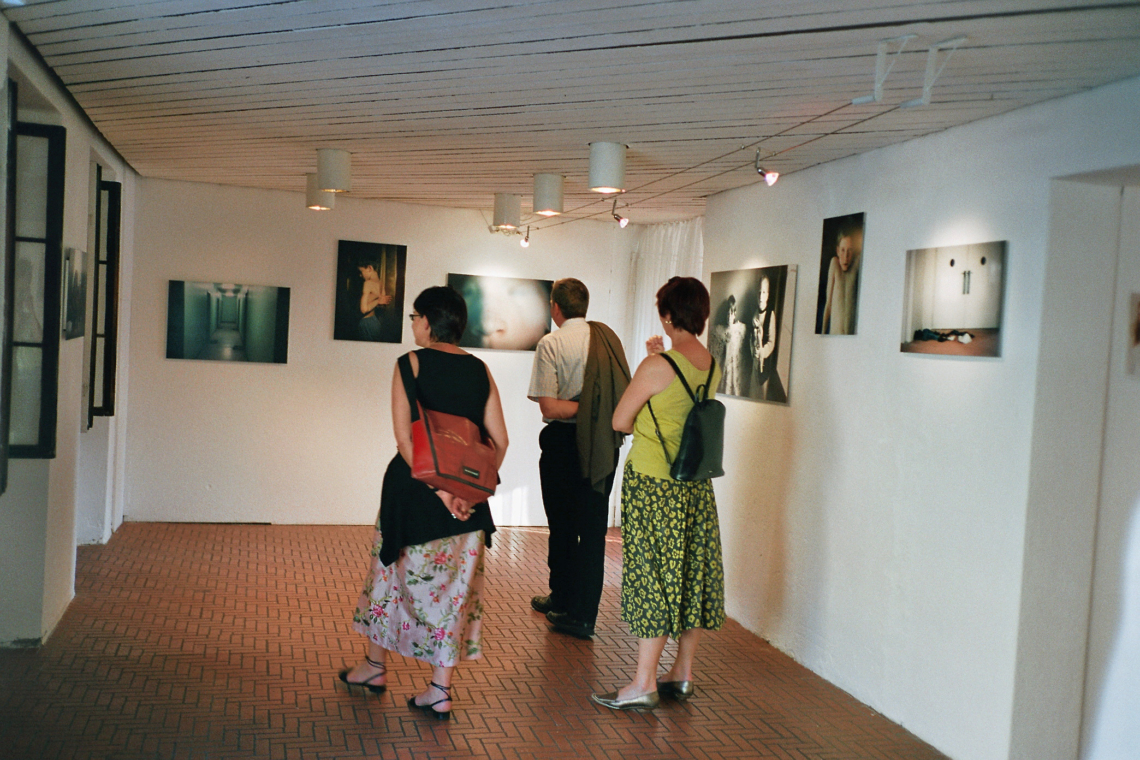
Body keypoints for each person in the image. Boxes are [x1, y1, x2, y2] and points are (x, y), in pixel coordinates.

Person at [340, 285, 509, 720]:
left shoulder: (409, 364)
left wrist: (440, 490)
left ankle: (375, 668)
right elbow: (500, 441)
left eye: (415, 316)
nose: (412, 323)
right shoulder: (480, 370)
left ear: (430, 322)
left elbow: (404, 440)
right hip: (467, 508)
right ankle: (439, 690)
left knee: (388, 580)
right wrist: (466, 492)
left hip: (412, 496)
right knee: (453, 594)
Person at [592, 276, 725, 711]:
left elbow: (620, 421)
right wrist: (658, 362)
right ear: (701, 316)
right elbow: (681, 404)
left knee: (652, 577)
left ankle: (643, 683)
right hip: (694, 485)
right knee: (688, 573)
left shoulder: (657, 366)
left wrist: (652, 364)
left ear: (668, 315)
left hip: (653, 484)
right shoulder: (712, 362)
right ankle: (681, 672)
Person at [528, 278, 630, 639]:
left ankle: (568, 605)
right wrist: (597, 412)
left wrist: (585, 410)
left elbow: (550, 405)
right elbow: (621, 396)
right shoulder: (608, 339)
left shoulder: (551, 342)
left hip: (563, 444)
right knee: (592, 531)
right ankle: (577, 609)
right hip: (602, 444)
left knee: (563, 526)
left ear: (556, 308)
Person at [749, 273, 786, 402]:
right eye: (759, 292)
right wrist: (753, 349)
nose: (761, 296)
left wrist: (762, 352)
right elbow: (750, 338)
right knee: (752, 392)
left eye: (764, 292)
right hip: (754, 362)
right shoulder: (754, 314)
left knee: (761, 395)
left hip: (764, 365)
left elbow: (771, 341)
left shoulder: (771, 315)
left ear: (768, 295)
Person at [820, 225, 863, 335]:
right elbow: (828, 305)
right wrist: (822, 334)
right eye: (843, 250)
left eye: (849, 251)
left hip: (851, 337)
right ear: (838, 251)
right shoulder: (834, 264)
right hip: (834, 334)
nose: (846, 256)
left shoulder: (856, 266)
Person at [356, 256, 393, 341]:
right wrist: (379, 301)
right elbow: (382, 304)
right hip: (375, 321)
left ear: (369, 268)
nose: (360, 275)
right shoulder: (381, 283)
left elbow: (363, 309)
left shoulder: (368, 283)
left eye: (361, 271)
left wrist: (377, 301)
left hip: (366, 322)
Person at [722, 294, 747, 395]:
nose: (729, 317)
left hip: (736, 365)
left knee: (736, 389)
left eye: (731, 314)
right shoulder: (723, 331)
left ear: (734, 314)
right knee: (726, 387)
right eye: (727, 314)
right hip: (727, 364)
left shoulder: (739, 329)